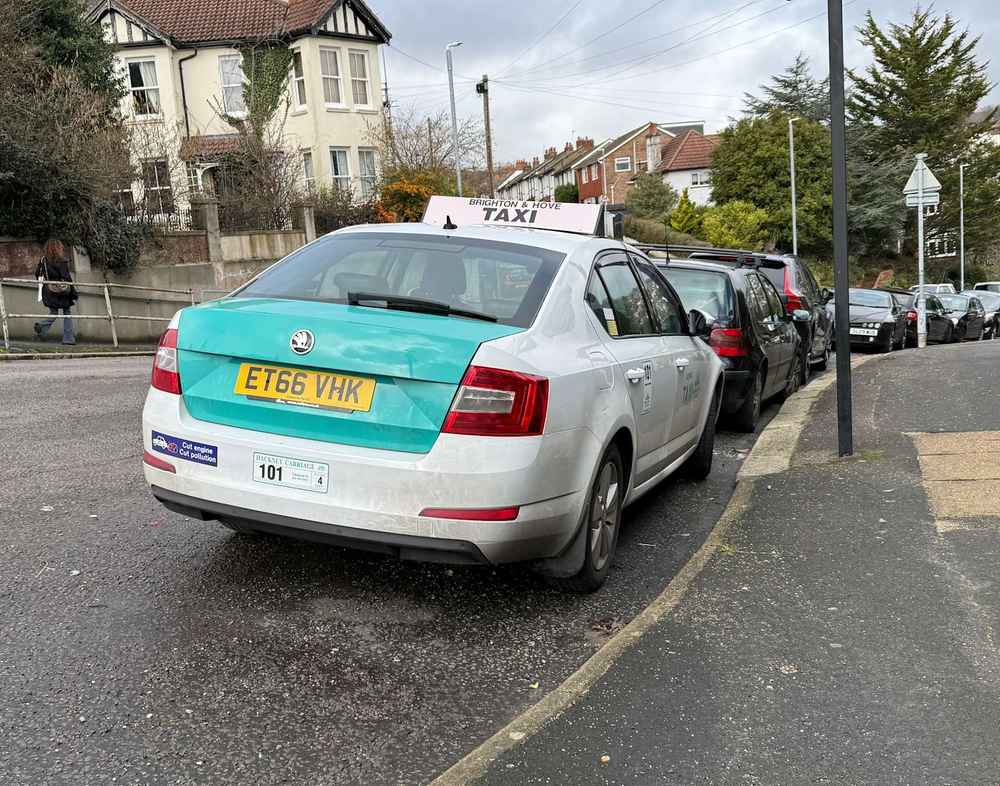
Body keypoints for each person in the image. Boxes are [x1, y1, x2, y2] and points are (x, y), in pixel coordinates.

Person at [33, 239, 78, 345]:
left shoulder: (43, 260)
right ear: (59, 248)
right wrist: (73, 292)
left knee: (53, 313)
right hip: (62, 291)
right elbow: (66, 277)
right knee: (67, 313)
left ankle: (41, 328)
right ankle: (68, 339)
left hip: (49, 290)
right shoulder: (62, 261)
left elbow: (37, 275)